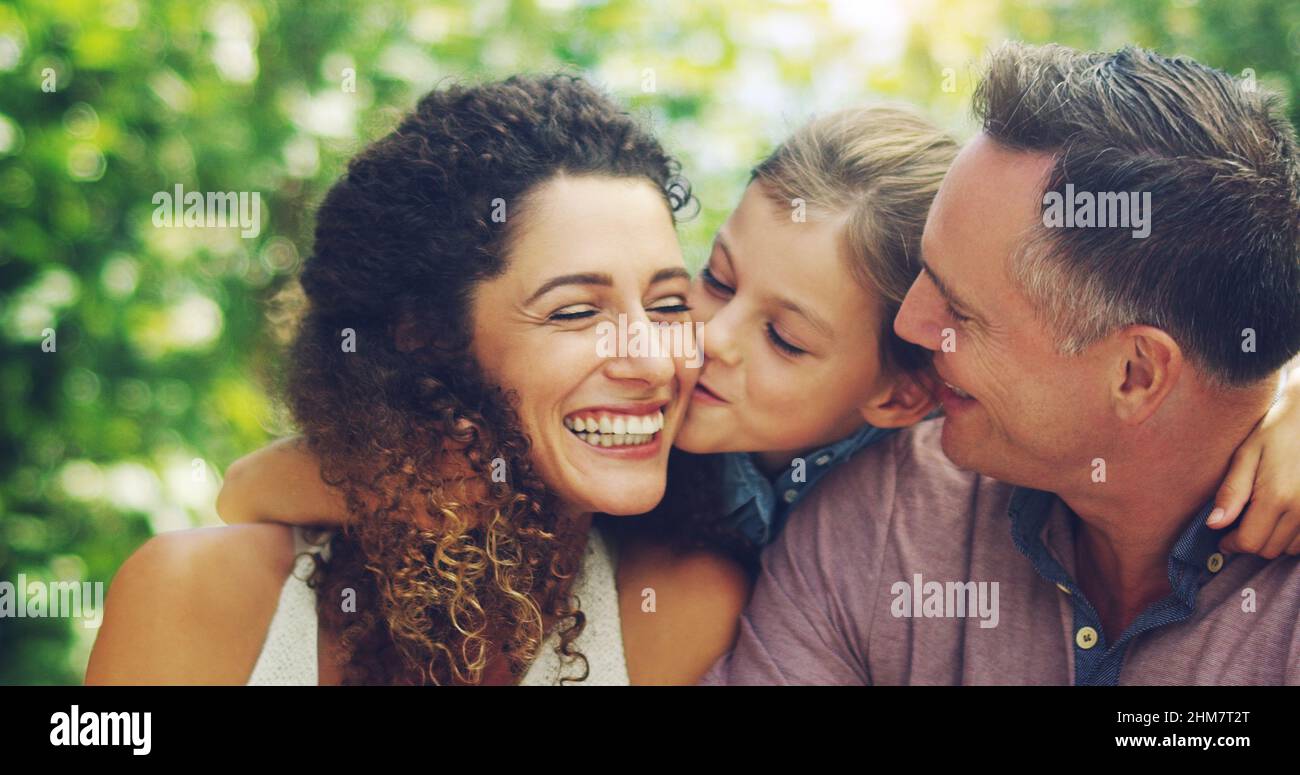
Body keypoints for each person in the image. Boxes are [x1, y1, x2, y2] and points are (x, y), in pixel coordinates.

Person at [85, 75, 750, 687]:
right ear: (426, 333)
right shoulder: (194, 594)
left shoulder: (683, 612)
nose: (656, 361)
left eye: (667, 305)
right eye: (576, 311)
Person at [704, 42, 1300, 685]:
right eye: (925, 273)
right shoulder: (877, 522)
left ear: (1136, 374)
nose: (910, 326)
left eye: (959, 311)